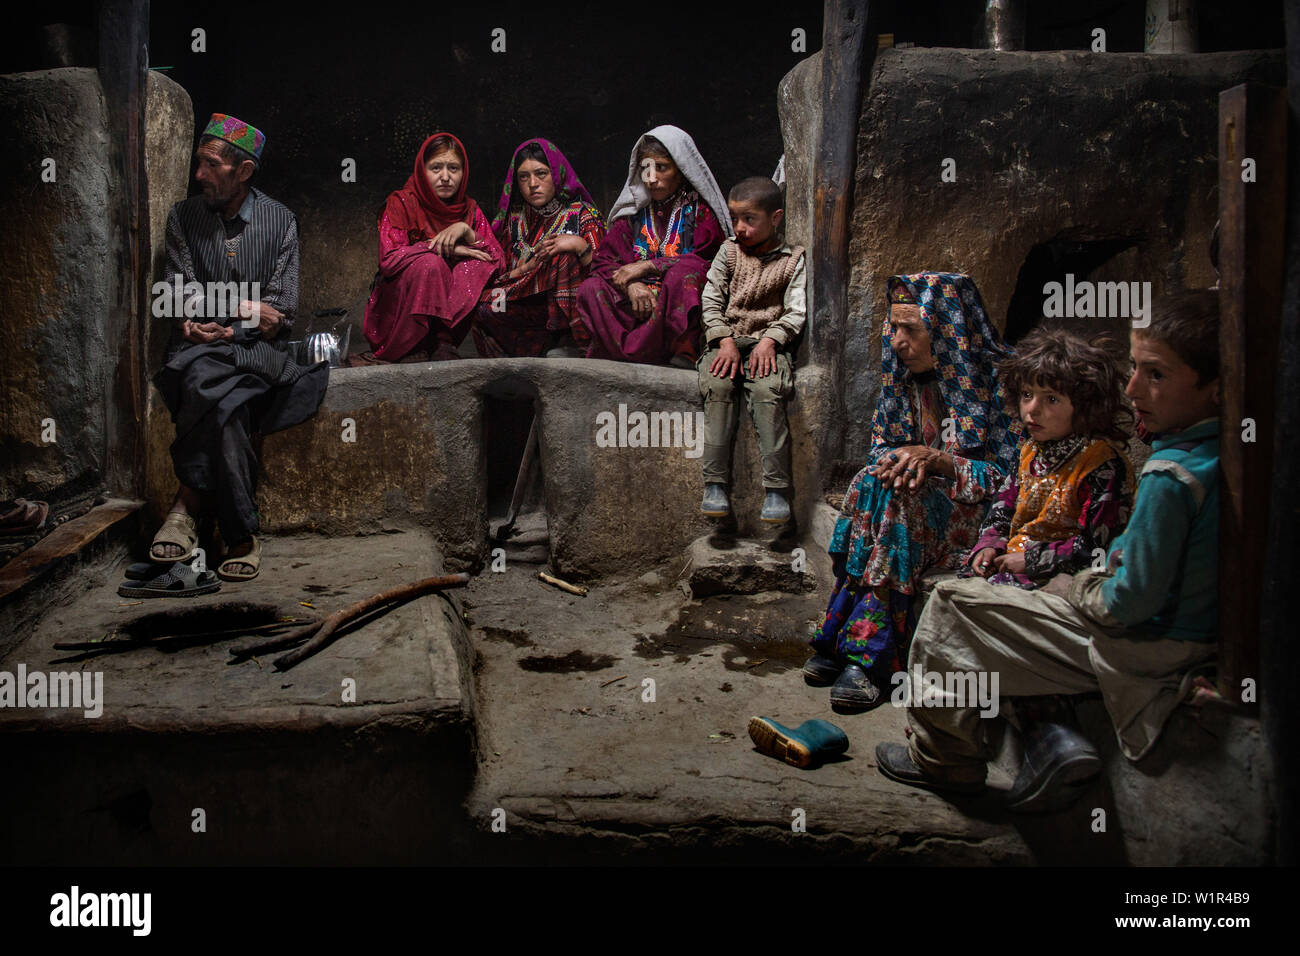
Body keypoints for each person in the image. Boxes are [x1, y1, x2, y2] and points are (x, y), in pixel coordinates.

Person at [875, 292, 1221, 813]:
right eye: (1134, 370)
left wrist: (1064, 580)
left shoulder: (1152, 473)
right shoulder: (1207, 453)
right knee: (987, 598)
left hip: (1146, 639)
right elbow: (1007, 503)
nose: (1134, 390)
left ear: (1214, 389)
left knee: (951, 607)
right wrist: (992, 543)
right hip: (1152, 626)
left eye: (1156, 375)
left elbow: (1118, 587)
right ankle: (1049, 740)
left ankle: (946, 758)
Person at [805, 273, 1023, 711]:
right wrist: (900, 461)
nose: (898, 340)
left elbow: (1012, 478)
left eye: (912, 329)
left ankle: (872, 660)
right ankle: (846, 638)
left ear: (946, 330)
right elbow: (882, 444)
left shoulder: (1003, 382)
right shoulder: (900, 379)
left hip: (981, 516)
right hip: (913, 499)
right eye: (894, 326)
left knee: (899, 505)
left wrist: (941, 461)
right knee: (871, 482)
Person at [150, 113, 328, 582]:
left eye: (211, 164)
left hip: (252, 354)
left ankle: (187, 505)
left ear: (243, 171)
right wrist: (234, 310)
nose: (199, 175)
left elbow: (281, 312)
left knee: (207, 379)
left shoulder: (280, 220)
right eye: (199, 163)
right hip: (201, 351)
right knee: (227, 401)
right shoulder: (182, 217)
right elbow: (173, 295)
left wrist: (230, 325)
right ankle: (241, 532)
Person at [964, 326, 1133, 590]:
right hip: (1009, 565)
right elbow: (1003, 509)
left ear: (1086, 406)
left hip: (1063, 579)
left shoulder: (1101, 464)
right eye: (1027, 395)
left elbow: (1099, 548)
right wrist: (989, 546)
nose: (1032, 409)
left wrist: (1030, 560)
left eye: (1051, 399)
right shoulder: (1029, 451)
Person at [698, 176, 805, 524]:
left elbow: (796, 309)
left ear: (775, 218)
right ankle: (714, 485)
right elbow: (711, 299)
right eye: (735, 219)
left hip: (768, 346)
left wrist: (771, 340)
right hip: (728, 340)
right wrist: (723, 339)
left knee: (767, 390)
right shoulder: (728, 252)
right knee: (718, 385)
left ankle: (776, 491)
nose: (740, 228)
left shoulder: (793, 260)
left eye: (750, 220)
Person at [577, 125, 731, 367]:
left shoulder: (700, 212)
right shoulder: (632, 216)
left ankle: (683, 352)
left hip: (675, 310)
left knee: (685, 273)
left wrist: (647, 266)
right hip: (636, 306)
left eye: (661, 168)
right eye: (645, 169)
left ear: (680, 170)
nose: (651, 178)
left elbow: (710, 261)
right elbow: (603, 261)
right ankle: (623, 352)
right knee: (590, 287)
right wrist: (631, 284)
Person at [353, 132, 504, 364]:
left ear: (464, 173)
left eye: (453, 169)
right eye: (436, 168)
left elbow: (499, 262)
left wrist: (467, 231)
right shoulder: (401, 202)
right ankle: (413, 344)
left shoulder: (469, 209)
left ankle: (443, 341)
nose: (445, 177)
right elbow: (389, 261)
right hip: (398, 313)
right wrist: (440, 248)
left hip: (447, 325)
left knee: (477, 264)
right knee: (431, 264)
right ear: (422, 171)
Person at [472, 138, 606, 358]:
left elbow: (604, 274)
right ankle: (519, 357)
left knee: (563, 253)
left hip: (572, 309)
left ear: (557, 175)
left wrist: (579, 246)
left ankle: (569, 340)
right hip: (527, 305)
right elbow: (498, 275)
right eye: (524, 177)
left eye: (541, 174)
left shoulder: (582, 214)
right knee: (486, 307)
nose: (532, 183)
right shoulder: (513, 219)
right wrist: (528, 268)